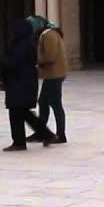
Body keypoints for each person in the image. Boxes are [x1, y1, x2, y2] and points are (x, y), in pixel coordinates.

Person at [0, 19, 53, 151]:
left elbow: (14, 63)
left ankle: (19, 142)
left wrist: (2, 65)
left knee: (16, 112)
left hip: (19, 83)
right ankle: (47, 134)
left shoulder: (21, 45)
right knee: (24, 112)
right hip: (24, 83)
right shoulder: (28, 43)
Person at [28, 15, 68, 146]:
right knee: (43, 102)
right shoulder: (48, 33)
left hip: (54, 74)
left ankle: (61, 135)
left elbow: (50, 56)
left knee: (55, 104)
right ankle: (41, 132)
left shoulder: (48, 35)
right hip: (52, 74)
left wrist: (35, 61)